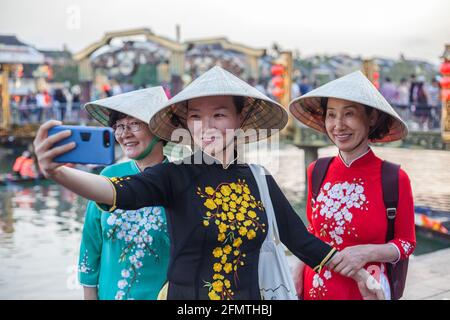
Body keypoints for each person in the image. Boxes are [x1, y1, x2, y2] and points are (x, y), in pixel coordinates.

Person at [34, 66, 383, 300]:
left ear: (239, 118)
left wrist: (359, 276)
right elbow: (117, 192)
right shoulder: (174, 175)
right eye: (196, 117)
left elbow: (304, 243)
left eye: (218, 114)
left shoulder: (259, 180)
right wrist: (58, 172)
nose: (207, 126)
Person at [289, 71, 416, 300]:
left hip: (365, 290)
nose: (338, 125)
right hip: (313, 288)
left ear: (372, 118)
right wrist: (298, 268)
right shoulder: (317, 171)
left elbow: (406, 243)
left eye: (349, 114)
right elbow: (313, 231)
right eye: (331, 115)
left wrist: (367, 252)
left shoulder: (394, 178)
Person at [79, 87, 171, 300]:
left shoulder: (178, 181)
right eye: (119, 126)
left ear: (159, 129)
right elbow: (90, 244)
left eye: (134, 124)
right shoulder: (109, 177)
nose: (124, 134)